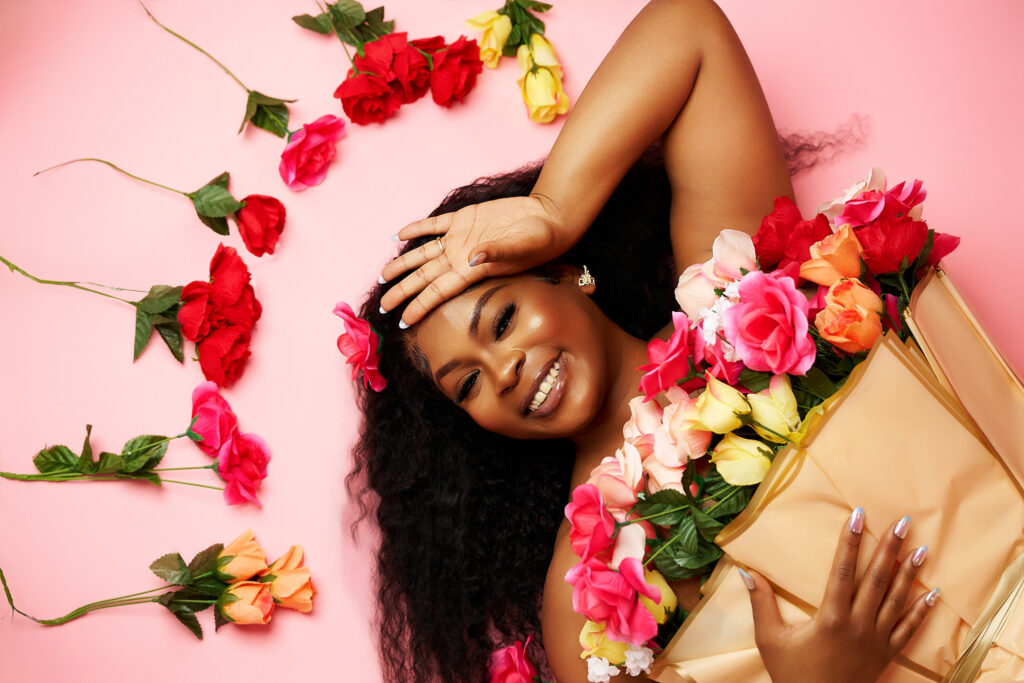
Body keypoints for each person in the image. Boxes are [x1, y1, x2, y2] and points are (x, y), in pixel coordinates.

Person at [347, 1, 937, 681]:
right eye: (469, 383)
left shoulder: (739, 307)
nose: (504, 370)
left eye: (503, 320)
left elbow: (689, 30)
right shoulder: (586, 595)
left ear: (565, 270)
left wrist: (553, 208)